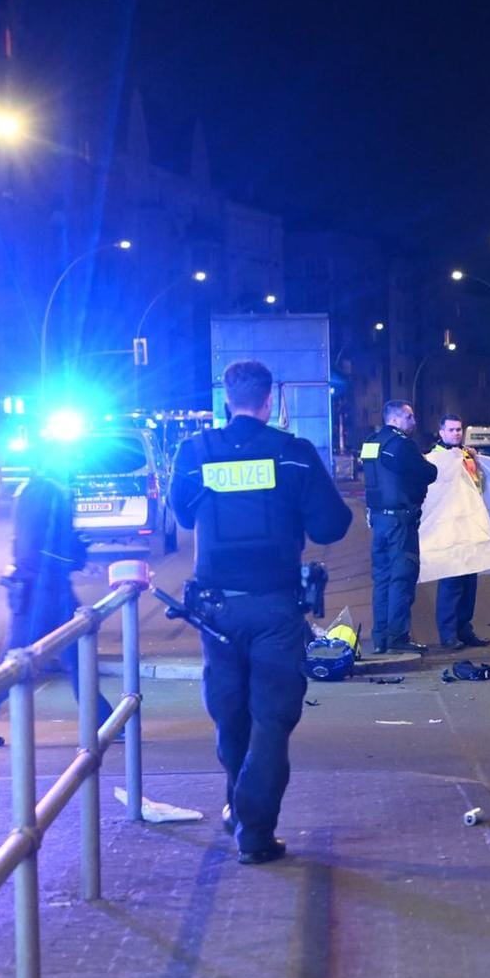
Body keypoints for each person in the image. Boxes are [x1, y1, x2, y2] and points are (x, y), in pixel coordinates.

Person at [171, 360, 352, 864]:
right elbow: (332, 526)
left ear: (227, 399)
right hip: (274, 607)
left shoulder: (196, 452)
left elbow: (182, 514)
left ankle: (236, 805)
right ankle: (253, 831)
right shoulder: (292, 455)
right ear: (269, 401)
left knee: (230, 713)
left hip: (216, 611)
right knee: (270, 719)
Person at [0, 446, 114, 748]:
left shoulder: (35, 489)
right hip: (42, 590)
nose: (76, 463)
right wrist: (76, 559)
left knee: (75, 652)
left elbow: (45, 542)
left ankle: (105, 720)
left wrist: (75, 559)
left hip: (44, 585)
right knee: (16, 662)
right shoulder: (50, 492)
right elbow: (47, 545)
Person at [360, 399, 436, 654]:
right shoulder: (401, 445)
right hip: (400, 522)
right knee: (402, 577)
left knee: (381, 578)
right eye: (410, 417)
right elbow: (429, 473)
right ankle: (398, 636)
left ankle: (380, 636)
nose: (414, 422)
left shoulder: (371, 443)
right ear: (395, 419)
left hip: (378, 519)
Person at [429, 414, 486, 649]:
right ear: (441, 432)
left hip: (469, 525)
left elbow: (478, 486)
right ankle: (448, 635)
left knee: (469, 582)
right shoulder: (435, 457)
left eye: (458, 429)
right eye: (451, 430)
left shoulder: (466, 456)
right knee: (451, 583)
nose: (456, 433)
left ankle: (465, 630)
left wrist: (476, 461)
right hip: (449, 528)